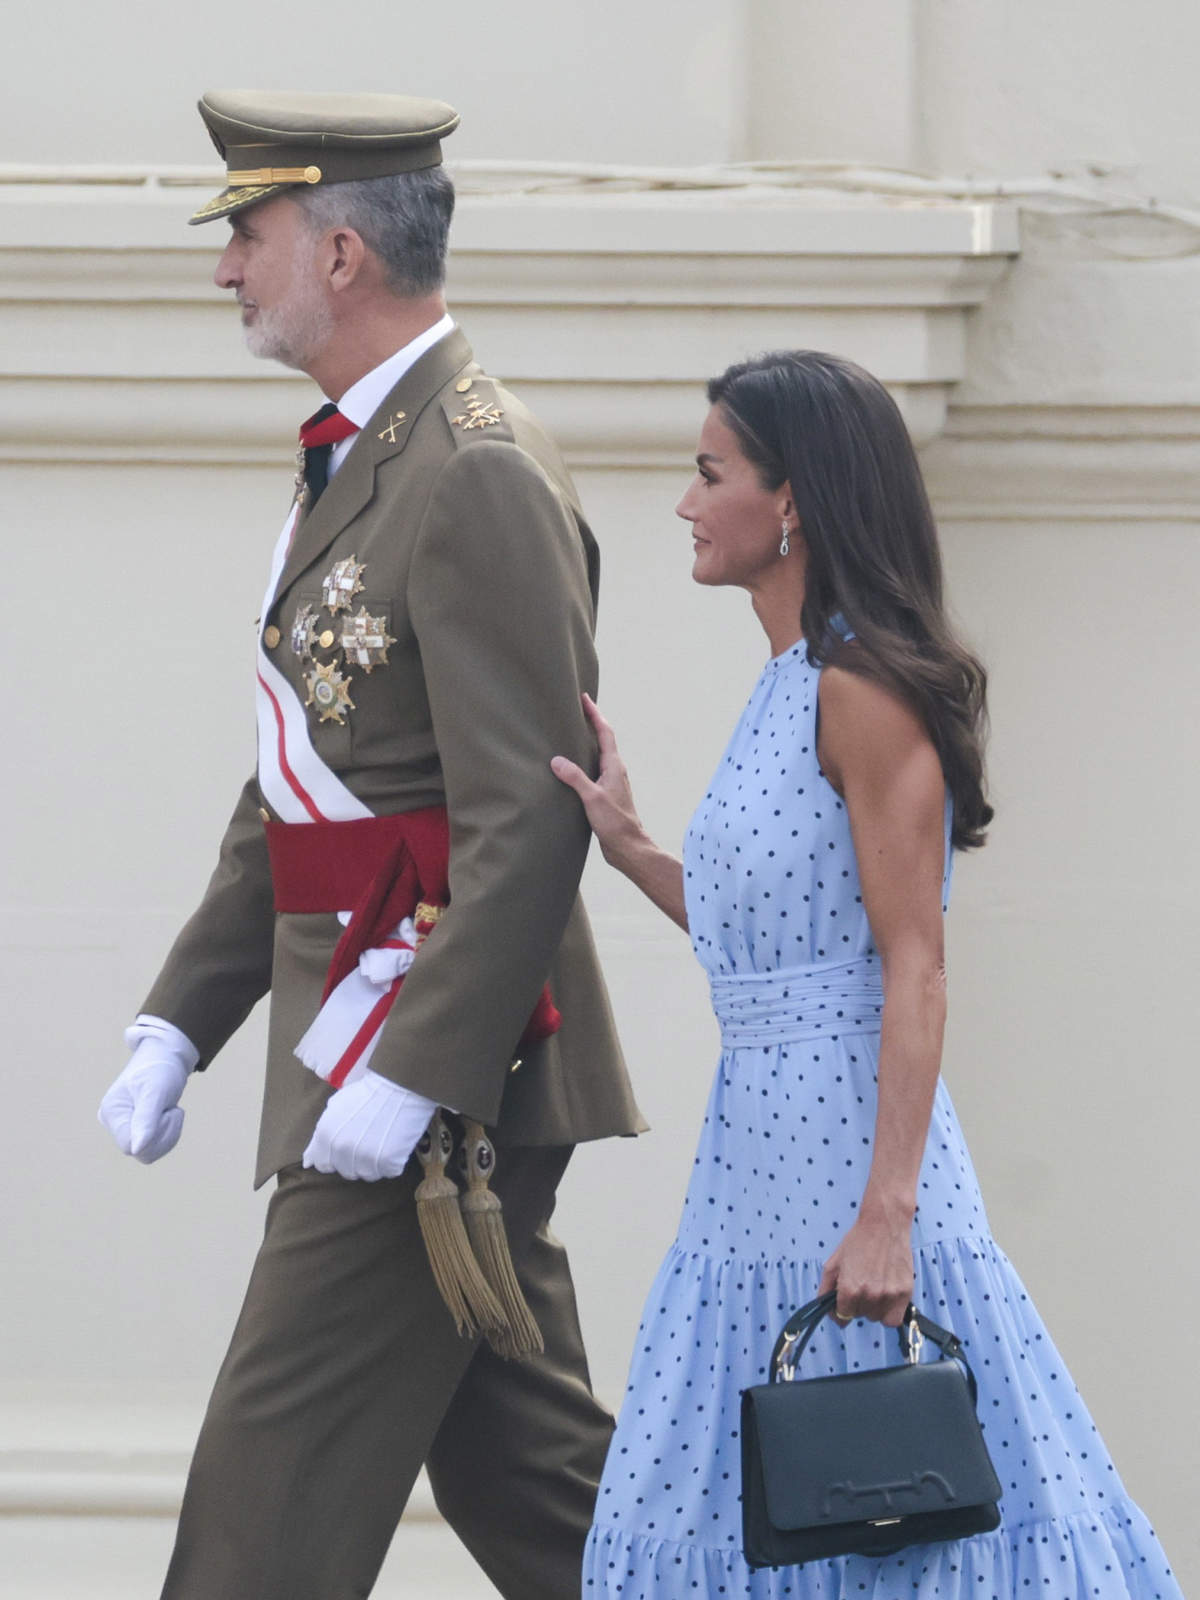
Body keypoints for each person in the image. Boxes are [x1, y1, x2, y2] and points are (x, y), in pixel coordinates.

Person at [97, 89, 644, 1600]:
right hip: (382, 1064)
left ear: (340, 253)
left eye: (247, 237)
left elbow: (526, 813)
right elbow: (308, 777)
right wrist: (180, 1017)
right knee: (544, 1498)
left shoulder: (472, 464)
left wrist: (413, 1077)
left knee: (259, 1513)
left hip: (426, 1089)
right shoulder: (363, 450)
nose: (226, 272)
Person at [552, 350, 1182, 1597]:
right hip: (750, 1171)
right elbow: (780, 949)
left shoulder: (863, 689)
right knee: (769, 1513)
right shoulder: (783, 683)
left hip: (858, 1169)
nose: (685, 502)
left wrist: (888, 1209)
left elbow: (914, 967)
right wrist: (631, 852)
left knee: (904, 1514)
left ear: (790, 502)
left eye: (707, 472)